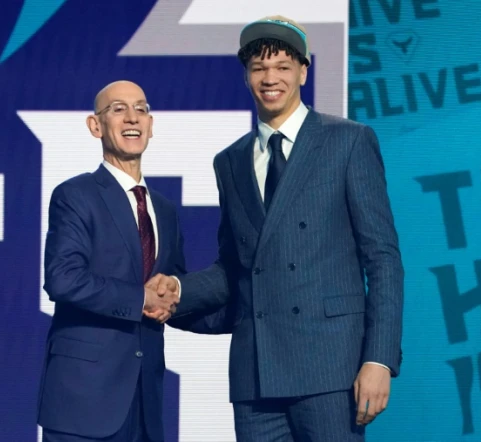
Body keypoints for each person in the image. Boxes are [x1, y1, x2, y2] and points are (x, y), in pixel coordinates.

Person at [152, 15, 405, 441]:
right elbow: (235, 268)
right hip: (257, 376)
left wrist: (378, 360)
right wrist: (178, 291)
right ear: (247, 75)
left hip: (330, 371)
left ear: (304, 71)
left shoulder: (348, 141)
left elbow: (382, 259)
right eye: (259, 68)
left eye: (283, 66)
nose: (271, 78)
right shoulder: (229, 162)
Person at [37, 80, 188, 442]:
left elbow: (173, 285)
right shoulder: (76, 195)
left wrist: (179, 291)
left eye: (141, 108)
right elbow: (62, 279)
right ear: (95, 125)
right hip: (84, 400)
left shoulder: (164, 210)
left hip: (145, 401)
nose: (132, 117)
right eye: (118, 109)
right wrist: (141, 299)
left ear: (151, 125)